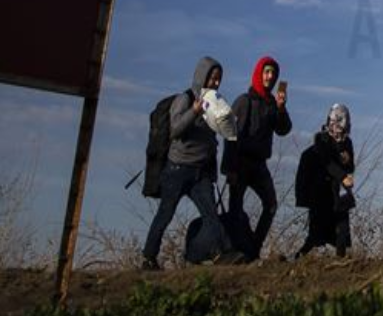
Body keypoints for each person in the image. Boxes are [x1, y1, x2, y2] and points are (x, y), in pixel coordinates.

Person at [141, 56, 229, 270]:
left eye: (218, 79)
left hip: (201, 172)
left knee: (211, 215)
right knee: (166, 213)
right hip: (177, 169)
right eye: (213, 78)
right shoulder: (185, 99)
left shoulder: (215, 103)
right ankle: (148, 257)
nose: (216, 83)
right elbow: (176, 130)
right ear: (203, 77)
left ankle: (219, 254)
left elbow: (211, 141)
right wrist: (195, 112)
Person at [222, 55, 292, 258]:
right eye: (266, 72)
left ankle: (253, 248)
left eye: (273, 73)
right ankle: (236, 251)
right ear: (258, 74)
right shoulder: (244, 102)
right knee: (235, 208)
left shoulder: (272, 104)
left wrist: (281, 108)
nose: (270, 77)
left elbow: (283, 129)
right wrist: (229, 168)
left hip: (260, 165)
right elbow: (230, 135)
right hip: (241, 162)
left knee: (271, 204)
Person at [295, 104, 355, 258]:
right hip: (320, 194)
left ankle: (341, 263)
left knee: (342, 231)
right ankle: (299, 258)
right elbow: (327, 162)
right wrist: (342, 176)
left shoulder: (347, 143)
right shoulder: (321, 139)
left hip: (339, 194)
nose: (337, 128)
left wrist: (345, 156)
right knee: (315, 236)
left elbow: (350, 165)